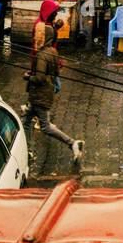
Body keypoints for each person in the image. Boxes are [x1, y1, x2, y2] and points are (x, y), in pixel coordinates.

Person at [26, 16, 84, 167]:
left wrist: (27, 77)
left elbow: (39, 77)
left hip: (40, 95)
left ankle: (72, 143)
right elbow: (55, 72)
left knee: (45, 126)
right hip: (43, 94)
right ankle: (29, 150)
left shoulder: (41, 55)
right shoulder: (52, 51)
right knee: (26, 120)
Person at [31, 0, 60, 73]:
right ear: (48, 12)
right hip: (43, 57)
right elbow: (39, 47)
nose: (56, 13)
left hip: (50, 55)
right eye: (54, 12)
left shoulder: (49, 21)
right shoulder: (40, 25)